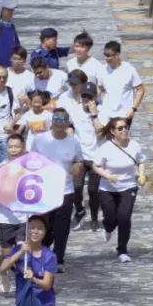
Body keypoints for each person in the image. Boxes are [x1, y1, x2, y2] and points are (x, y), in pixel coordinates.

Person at [31, 107, 83, 270]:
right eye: (56, 119)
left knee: (62, 228)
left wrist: (77, 166)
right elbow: (30, 161)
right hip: (43, 190)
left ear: (68, 123)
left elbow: (79, 161)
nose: (59, 123)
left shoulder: (73, 141)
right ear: (51, 121)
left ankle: (58, 259)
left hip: (65, 191)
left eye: (63, 120)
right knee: (44, 226)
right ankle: (42, 254)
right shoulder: (39, 139)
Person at [0, 215, 58, 306]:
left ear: (45, 232)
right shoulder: (19, 250)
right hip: (24, 304)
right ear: (26, 230)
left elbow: (47, 285)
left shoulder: (49, 256)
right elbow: (3, 268)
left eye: (40, 228)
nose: (35, 231)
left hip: (44, 305)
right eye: (32, 228)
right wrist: (20, 252)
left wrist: (33, 278)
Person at [93, 116, 146, 262]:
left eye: (126, 127)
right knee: (110, 217)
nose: (124, 130)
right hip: (107, 188)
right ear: (112, 131)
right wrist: (107, 175)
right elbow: (96, 166)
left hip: (128, 186)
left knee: (124, 217)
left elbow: (141, 161)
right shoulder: (105, 148)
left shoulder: (134, 145)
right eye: (120, 128)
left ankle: (122, 250)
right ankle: (108, 227)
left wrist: (141, 176)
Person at [58, 73, 102, 230]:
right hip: (80, 157)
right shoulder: (75, 110)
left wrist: (94, 114)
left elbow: (101, 132)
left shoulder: (102, 111)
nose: (86, 101)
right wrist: (69, 131)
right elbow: (69, 125)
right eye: (84, 97)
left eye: (90, 98)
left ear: (96, 98)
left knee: (93, 190)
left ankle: (95, 217)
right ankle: (80, 210)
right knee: (76, 187)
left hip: (96, 156)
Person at [0, 134, 28, 293]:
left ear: (23, 147)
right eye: (10, 146)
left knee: (20, 252)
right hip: (5, 217)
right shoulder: (0, 168)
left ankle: (23, 284)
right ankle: (3, 272)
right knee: (7, 255)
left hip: (23, 217)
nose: (13, 150)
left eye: (17, 146)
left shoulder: (29, 167)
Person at [98, 41, 145, 122]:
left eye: (108, 55)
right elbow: (100, 88)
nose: (106, 58)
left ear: (117, 55)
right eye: (105, 54)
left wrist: (133, 109)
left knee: (121, 134)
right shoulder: (102, 70)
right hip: (107, 114)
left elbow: (141, 90)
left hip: (124, 115)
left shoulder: (129, 70)